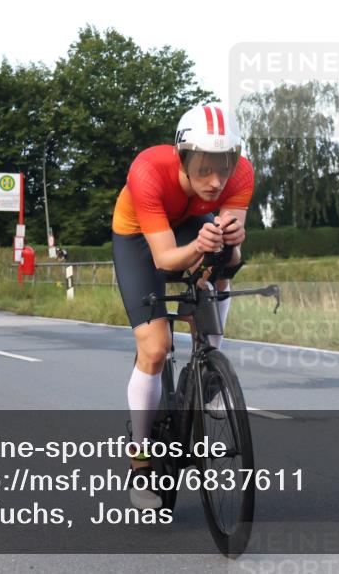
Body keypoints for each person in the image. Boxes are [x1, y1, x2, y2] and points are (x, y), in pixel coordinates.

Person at [111, 103, 253, 509]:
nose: (215, 181)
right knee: (155, 348)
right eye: (204, 169)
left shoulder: (241, 174)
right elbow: (165, 260)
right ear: (183, 158)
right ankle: (140, 462)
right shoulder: (148, 171)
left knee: (222, 264)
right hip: (140, 236)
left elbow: (232, 257)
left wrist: (232, 242)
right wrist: (197, 248)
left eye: (223, 168)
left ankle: (211, 368)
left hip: (191, 221)